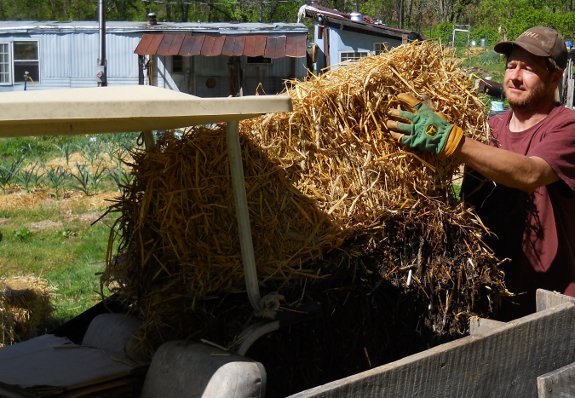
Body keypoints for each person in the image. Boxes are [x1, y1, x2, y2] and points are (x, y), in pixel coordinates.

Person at [387, 26, 575, 320]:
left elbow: (529, 174)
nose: (514, 76)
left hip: (548, 305)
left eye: (528, 69)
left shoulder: (566, 127)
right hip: (484, 296)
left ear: (555, 78)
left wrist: (451, 140)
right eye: (511, 65)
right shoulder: (489, 128)